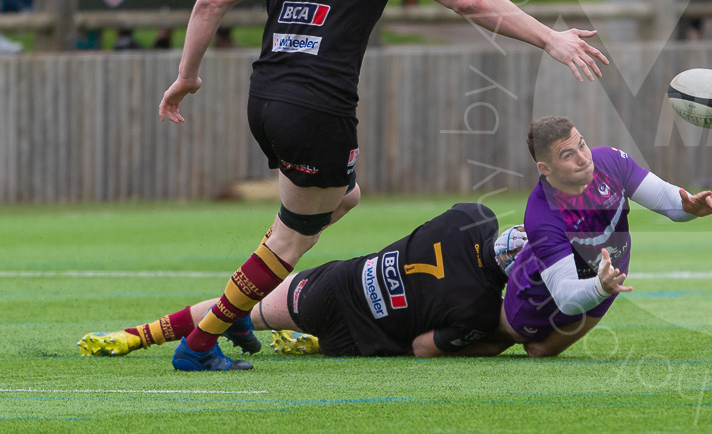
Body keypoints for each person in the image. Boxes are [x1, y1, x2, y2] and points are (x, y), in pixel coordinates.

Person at [155, 0, 608, 371]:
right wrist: (549, 37)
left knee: (342, 198)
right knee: (290, 242)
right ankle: (204, 340)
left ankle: (232, 313)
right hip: (318, 108)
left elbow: (210, 0)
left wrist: (187, 77)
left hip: (266, 98)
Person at [80, 203, 528, 359]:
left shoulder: (472, 216)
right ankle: (305, 341)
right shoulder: (480, 307)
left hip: (336, 284)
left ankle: (136, 336)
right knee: (252, 310)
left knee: (246, 306)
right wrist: (502, 337)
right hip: (355, 336)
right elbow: (423, 348)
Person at [497, 116, 712, 357]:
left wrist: (689, 208)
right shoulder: (542, 214)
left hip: (608, 279)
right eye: (568, 156)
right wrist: (599, 287)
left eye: (582, 145)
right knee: (509, 336)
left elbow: (665, 198)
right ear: (546, 168)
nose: (583, 158)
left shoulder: (610, 161)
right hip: (542, 292)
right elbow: (565, 296)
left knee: (542, 350)